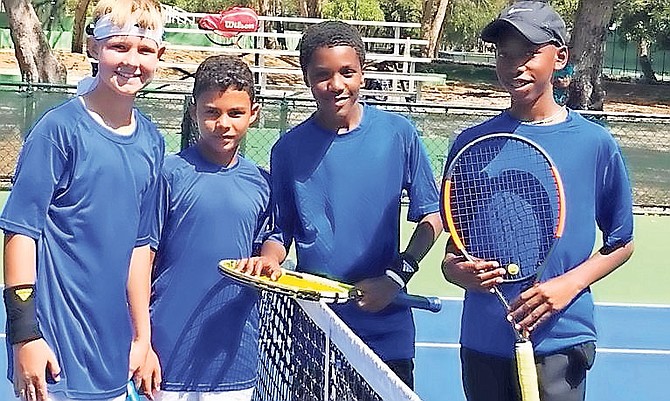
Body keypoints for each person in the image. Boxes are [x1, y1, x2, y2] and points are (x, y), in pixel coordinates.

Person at [439, 2, 634, 401]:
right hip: (483, 340)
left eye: (529, 53)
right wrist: (457, 273)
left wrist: (567, 285)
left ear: (559, 57)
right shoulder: (469, 145)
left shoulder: (594, 143)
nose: (515, 66)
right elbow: (453, 252)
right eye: (504, 54)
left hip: (561, 339)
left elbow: (622, 242)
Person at [0, 0, 166, 400]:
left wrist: (142, 338)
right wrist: (25, 336)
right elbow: (21, 234)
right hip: (52, 363)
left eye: (144, 50)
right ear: (93, 48)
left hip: (112, 363)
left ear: (159, 56)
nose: (131, 60)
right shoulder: (57, 131)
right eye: (119, 47)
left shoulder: (152, 142)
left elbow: (140, 248)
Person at [270, 20, 443, 389]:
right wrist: (268, 261)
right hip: (316, 329)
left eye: (347, 72)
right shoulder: (286, 151)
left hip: (388, 330)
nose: (336, 85)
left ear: (362, 74)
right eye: (322, 75)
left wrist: (395, 279)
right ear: (306, 78)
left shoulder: (399, 134)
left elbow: (431, 216)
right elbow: (280, 231)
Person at [136, 55, 286, 401]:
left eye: (235, 113)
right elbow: (142, 260)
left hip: (234, 363)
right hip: (166, 361)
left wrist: (267, 258)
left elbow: (273, 240)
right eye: (212, 112)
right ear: (194, 112)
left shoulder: (262, 183)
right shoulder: (167, 175)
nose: (223, 124)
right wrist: (143, 344)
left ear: (254, 113)